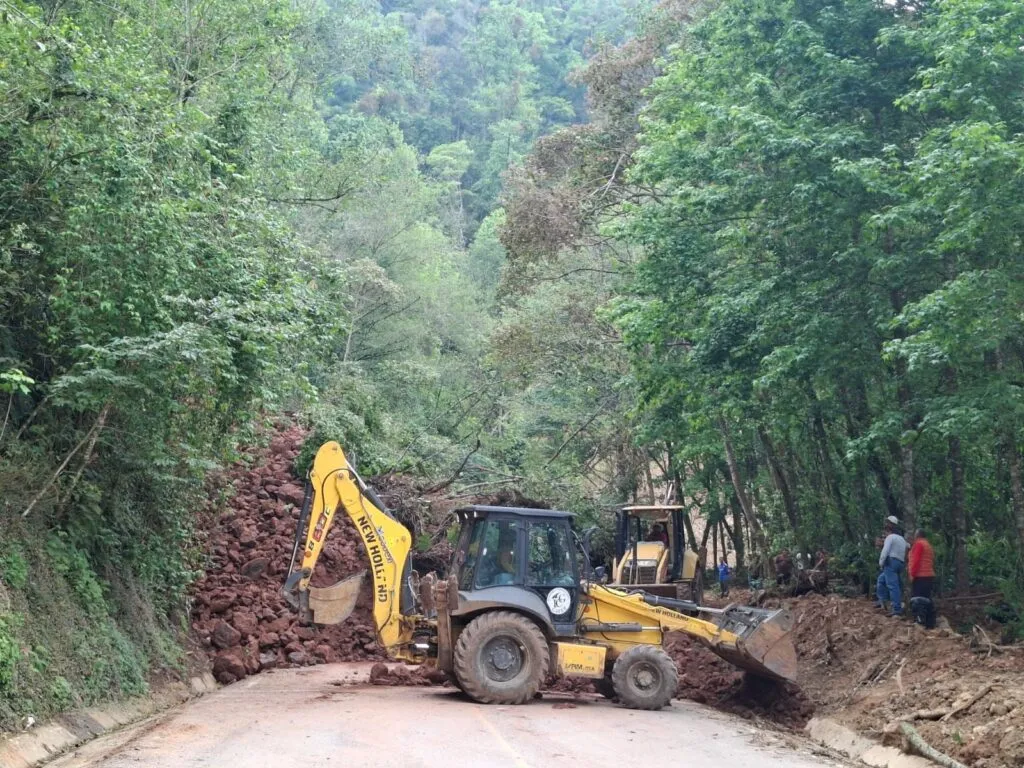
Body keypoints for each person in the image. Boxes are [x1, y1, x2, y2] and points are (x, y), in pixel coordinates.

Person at [875, 516, 909, 616]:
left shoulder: (890, 538)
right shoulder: (902, 539)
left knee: (893, 586)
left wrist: (881, 563)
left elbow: (885, 551)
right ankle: (882, 601)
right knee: (881, 580)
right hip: (900, 563)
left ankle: (897, 609)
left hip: (891, 562)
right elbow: (908, 546)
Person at [908, 528, 937, 628]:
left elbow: (916, 560)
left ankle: (920, 622)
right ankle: (930, 624)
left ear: (918, 535)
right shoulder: (928, 545)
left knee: (918, 599)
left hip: (920, 576)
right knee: (927, 600)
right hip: (929, 576)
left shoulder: (919, 544)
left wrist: (912, 574)